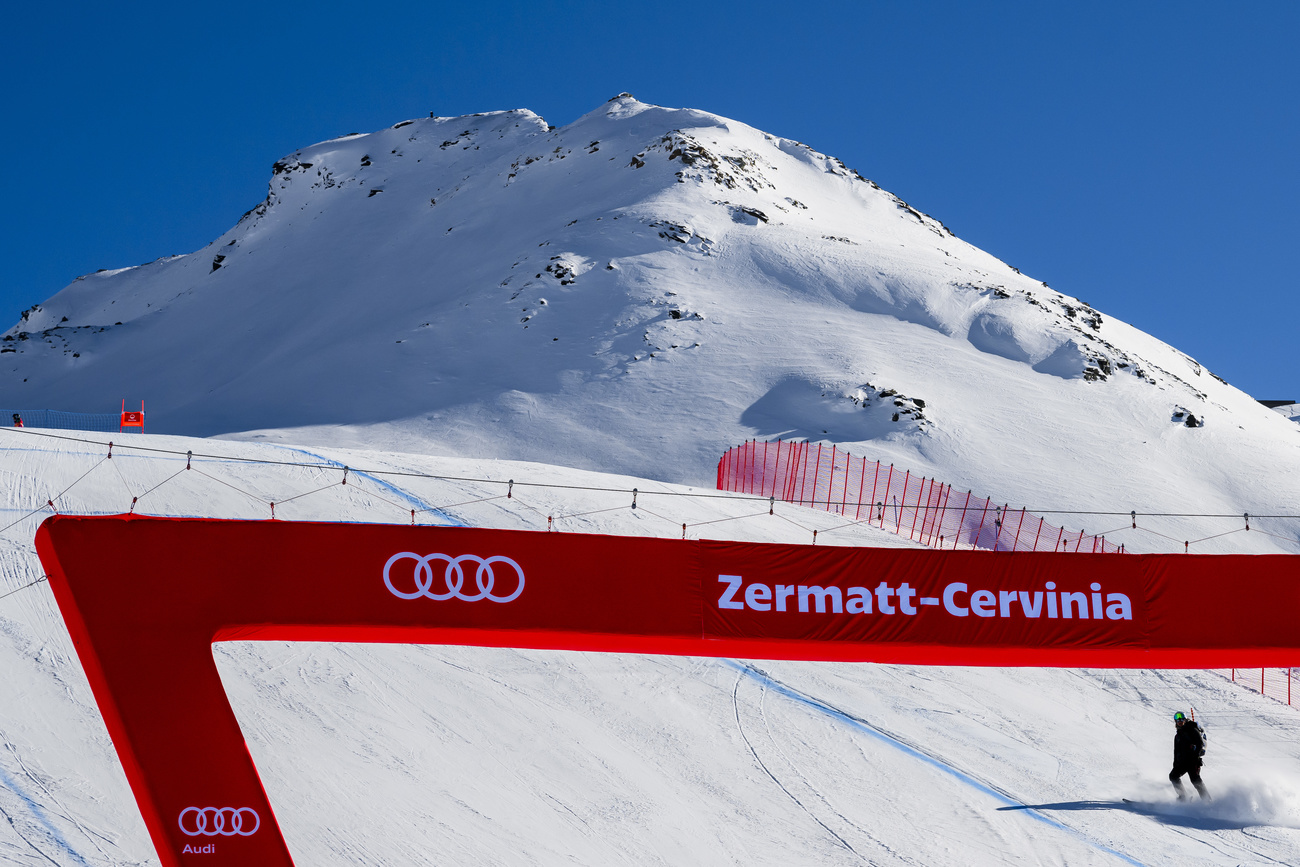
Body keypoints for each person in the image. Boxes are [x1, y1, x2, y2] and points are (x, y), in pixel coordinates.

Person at [1170, 711, 1208, 800]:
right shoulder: (1178, 735)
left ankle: (1207, 801)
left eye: (1181, 718)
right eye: (1177, 718)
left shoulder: (1191, 729)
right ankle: (1183, 797)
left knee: (1195, 780)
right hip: (1182, 762)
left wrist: (1195, 757)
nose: (1180, 720)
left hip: (1193, 761)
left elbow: (1200, 743)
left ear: (1185, 718)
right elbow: (1176, 752)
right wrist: (1175, 764)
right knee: (1173, 776)